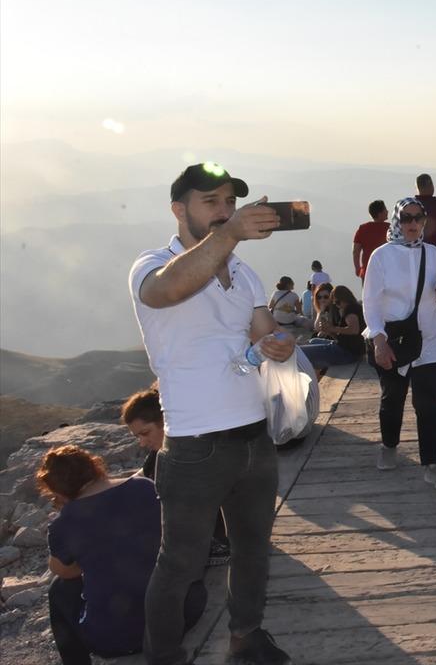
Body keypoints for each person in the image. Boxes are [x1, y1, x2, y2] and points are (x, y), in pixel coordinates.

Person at [129, 161, 294, 665]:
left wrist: (278, 343)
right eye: (211, 202)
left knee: (252, 549)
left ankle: (246, 637)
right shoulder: (151, 265)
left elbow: (262, 328)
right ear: (179, 210)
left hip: (253, 435)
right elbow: (169, 290)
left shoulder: (243, 271)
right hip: (196, 444)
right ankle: (163, 656)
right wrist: (234, 234)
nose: (224, 211)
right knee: (179, 564)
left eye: (230, 202)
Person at [40, 445, 207, 665]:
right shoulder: (145, 487)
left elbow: (61, 570)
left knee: (59, 589)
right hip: (185, 615)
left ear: (59, 492)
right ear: (94, 466)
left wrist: (94, 556)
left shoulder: (65, 522)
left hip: (117, 641)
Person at [362, 198, 436, 489]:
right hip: (393, 341)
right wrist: (378, 340)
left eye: (418, 218)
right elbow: (371, 302)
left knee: (429, 404)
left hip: (428, 340)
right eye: (406, 218)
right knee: (393, 399)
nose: (412, 224)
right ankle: (389, 446)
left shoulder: (433, 253)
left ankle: (432, 464)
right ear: (396, 221)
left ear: (424, 220)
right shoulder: (381, 256)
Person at [122, 387, 231, 567]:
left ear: (165, 421)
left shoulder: (195, 453)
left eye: (145, 433)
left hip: (217, 545)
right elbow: (140, 479)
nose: (141, 442)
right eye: (137, 436)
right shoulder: (165, 449)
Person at [299, 285, 365, 370]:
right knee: (313, 341)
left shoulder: (351, 309)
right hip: (346, 349)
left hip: (347, 353)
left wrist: (331, 328)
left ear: (343, 299)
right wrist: (329, 331)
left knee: (301, 352)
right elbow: (343, 336)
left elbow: (354, 330)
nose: (336, 305)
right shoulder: (351, 308)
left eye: (337, 302)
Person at [353, 199, 390, 287]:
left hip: (368, 271)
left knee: (368, 298)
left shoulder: (363, 229)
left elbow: (356, 251)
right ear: (380, 213)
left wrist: (358, 268)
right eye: (385, 209)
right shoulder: (390, 229)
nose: (387, 211)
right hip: (387, 271)